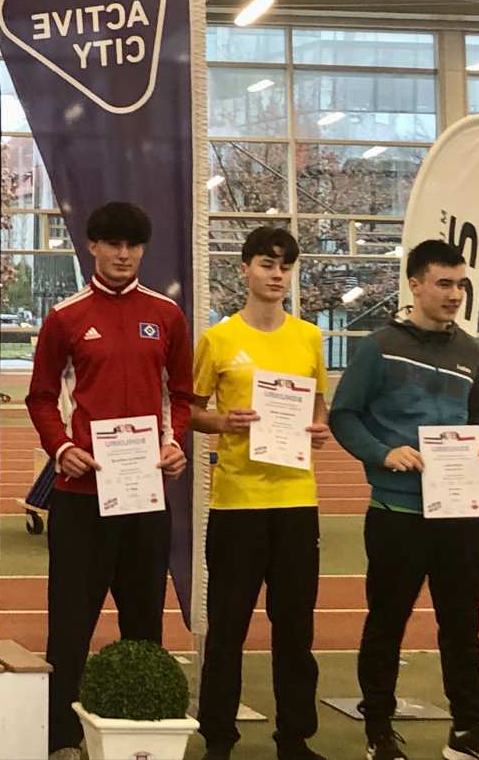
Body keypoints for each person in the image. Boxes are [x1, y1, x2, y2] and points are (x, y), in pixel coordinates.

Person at [25, 202, 191, 760]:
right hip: (80, 501)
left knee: (145, 623)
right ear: (93, 246)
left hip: (144, 498)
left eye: (133, 245)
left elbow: (183, 396)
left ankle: (139, 733)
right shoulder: (66, 316)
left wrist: (176, 444)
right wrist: (62, 448)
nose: (123, 255)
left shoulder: (166, 315)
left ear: (142, 250)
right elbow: (41, 396)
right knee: (69, 626)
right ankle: (59, 738)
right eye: (112, 244)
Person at [331, 240, 479, 760]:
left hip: (458, 515)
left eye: (460, 284)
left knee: (463, 626)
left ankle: (467, 730)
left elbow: (474, 417)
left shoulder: (470, 351)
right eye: (444, 283)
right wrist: (384, 454)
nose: (454, 294)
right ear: (416, 284)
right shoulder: (378, 346)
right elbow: (344, 416)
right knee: (386, 624)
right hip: (397, 515)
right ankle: (379, 732)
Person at [190, 227, 331, 760]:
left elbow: (319, 409)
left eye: (285, 267)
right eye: (267, 265)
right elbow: (191, 410)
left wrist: (319, 428)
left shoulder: (310, 338)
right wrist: (224, 420)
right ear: (244, 269)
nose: (276, 275)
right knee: (228, 629)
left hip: (297, 502)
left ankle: (294, 739)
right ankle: (219, 741)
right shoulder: (218, 339)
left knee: (295, 630)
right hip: (237, 504)